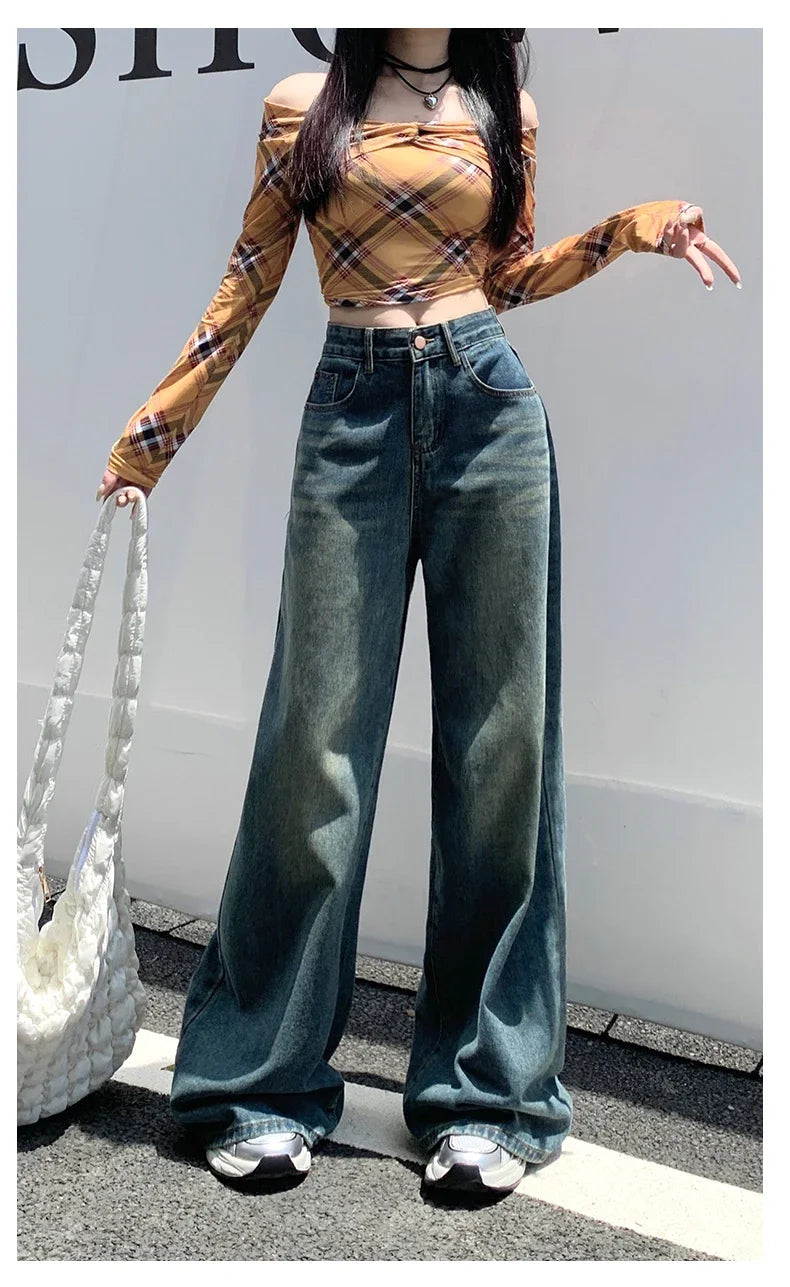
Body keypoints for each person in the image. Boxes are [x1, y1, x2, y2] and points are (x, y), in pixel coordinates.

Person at [96, 30, 741, 1197]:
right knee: (314, 750)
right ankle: (257, 1083)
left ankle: (486, 1096)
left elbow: (509, 278)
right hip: (350, 409)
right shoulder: (304, 104)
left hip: (490, 407)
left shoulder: (506, 112)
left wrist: (629, 229)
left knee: (501, 753)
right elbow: (249, 277)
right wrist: (154, 435)